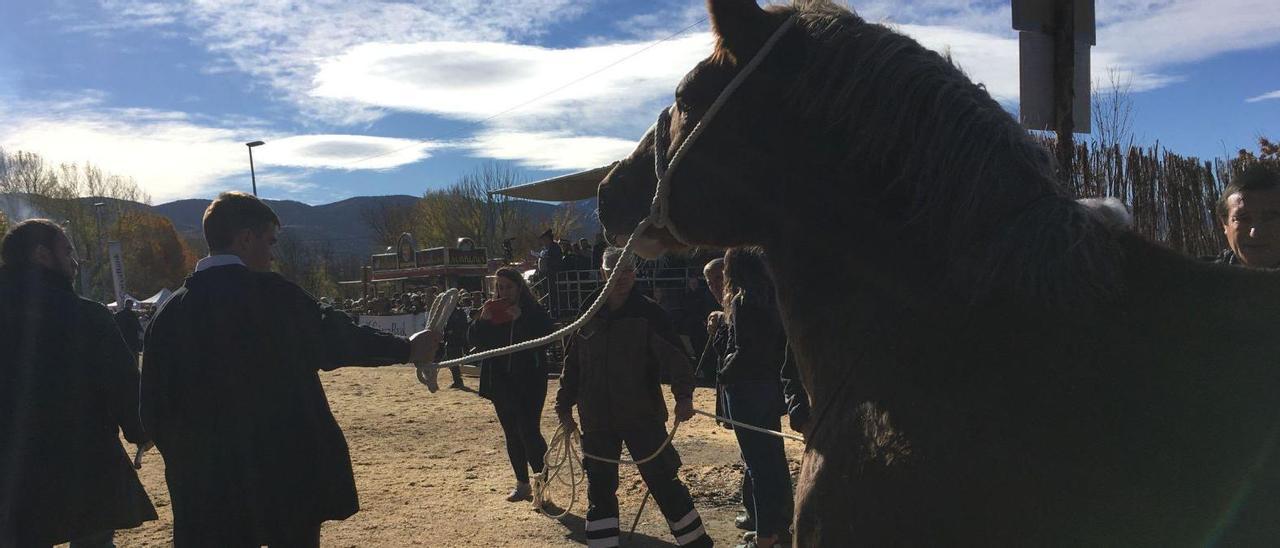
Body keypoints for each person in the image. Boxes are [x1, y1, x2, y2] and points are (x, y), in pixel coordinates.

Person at [140, 192, 440, 547]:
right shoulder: (273, 296)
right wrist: (406, 348)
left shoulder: (168, 314)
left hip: (207, 492)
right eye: (269, 241)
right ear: (245, 238)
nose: (272, 253)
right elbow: (334, 337)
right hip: (285, 478)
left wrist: (193, 462)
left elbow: (153, 411)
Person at [0, 219, 157, 547]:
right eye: (68, 251)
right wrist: (140, 431)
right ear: (42, 255)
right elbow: (122, 384)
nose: (75, 261)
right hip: (84, 462)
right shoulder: (85, 315)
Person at [556, 247, 712, 548]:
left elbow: (676, 358)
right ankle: (603, 544)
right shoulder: (589, 310)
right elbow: (572, 361)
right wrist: (564, 404)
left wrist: (684, 396)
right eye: (614, 270)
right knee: (599, 487)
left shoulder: (649, 313)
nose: (622, 276)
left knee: (663, 481)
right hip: (596, 417)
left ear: (635, 272)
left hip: (642, 415)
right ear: (603, 273)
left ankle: (696, 544)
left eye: (627, 269)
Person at [718, 247, 792, 548]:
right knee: (772, 459)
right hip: (768, 387)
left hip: (745, 390)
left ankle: (764, 538)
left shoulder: (741, 301)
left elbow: (744, 351)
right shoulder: (772, 299)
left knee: (756, 464)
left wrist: (724, 373)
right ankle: (775, 527)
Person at [469, 268, 554, 502]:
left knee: (529, 431)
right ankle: (522, 483)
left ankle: (542, 485)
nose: (503, 291)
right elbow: (474, 341)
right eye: (499, 287)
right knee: (511, 433)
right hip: (500, 381)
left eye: (508, 287)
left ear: (519, 288)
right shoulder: (491, 310)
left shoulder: (533, 310)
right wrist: (482, 323)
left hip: (529, 381)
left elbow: (549, 335)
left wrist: (522, 319)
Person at [1210, 163, 1280, 267]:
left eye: (1269, 218)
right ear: (1224, 223)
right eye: (1243, 219)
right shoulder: (1201, 280)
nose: (1255, 232)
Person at [443, 294, 471, 390]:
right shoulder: (447, 313)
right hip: (449, 340)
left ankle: (458, 381)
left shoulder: (460, 312)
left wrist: (454, 331)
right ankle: (457, 380)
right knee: (450, 362)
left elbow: (463, 326)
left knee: (455, 361)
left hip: (457, 340)